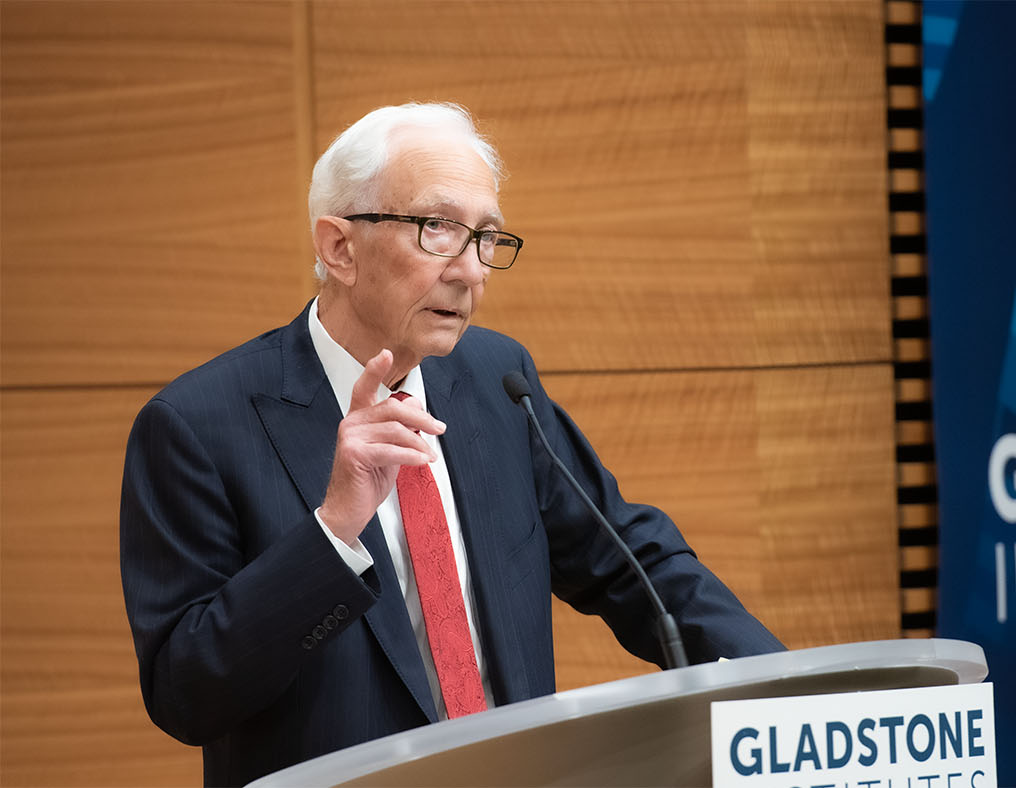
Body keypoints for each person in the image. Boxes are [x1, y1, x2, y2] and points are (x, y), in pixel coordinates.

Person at [119, 102, 783, 786]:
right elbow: (184, 694)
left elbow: (627, 560)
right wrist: (333, 532)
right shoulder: (197, 425)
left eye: (487, 237)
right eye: (437, 229)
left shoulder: (496, 379)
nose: (472, 272)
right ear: (339, 247)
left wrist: (780, 685)